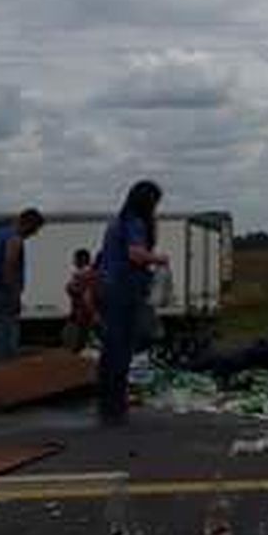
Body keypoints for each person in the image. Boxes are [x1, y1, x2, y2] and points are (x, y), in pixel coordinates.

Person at [96, 181, 168, 425]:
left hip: (110, 288)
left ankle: (107, 402)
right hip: (124, 289)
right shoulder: (135, 223)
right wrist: (159, 259)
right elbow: (136, 254)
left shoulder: (116, 222)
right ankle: (116, 405)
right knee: (122, 347)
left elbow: (103, 257)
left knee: (110, 347)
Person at [0, 208, 46, 364]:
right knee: (8, 336)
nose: (34, 234)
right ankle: (5, 371)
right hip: (5, 293)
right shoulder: (15, 238)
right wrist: (14, 295)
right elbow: (9, 265)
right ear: (28, 224)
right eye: (35, 229)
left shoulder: (2, 233)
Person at [63, 248, 99, 352]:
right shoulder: (91, 274)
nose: (73, 261)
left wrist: (92, 313)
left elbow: (85, 296)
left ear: (81, 260)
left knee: (78, 347)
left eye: (75, 259)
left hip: (83, 316)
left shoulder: (82, 276)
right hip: (85, 314)